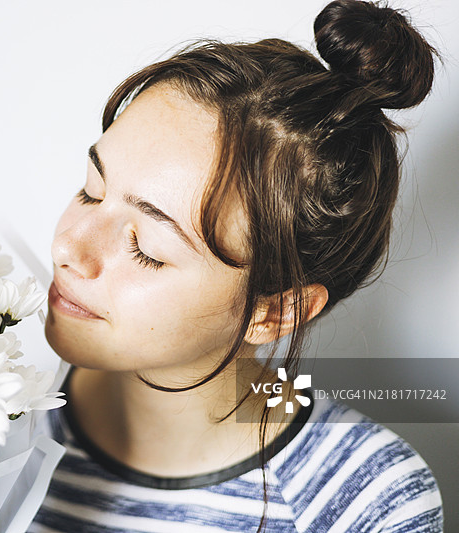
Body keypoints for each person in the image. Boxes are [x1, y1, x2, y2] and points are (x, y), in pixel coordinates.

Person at [27, 0, 443, 531]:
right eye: (91, 191)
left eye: (145, 248)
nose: (68, 250)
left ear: (274, 310)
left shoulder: (365, 501)